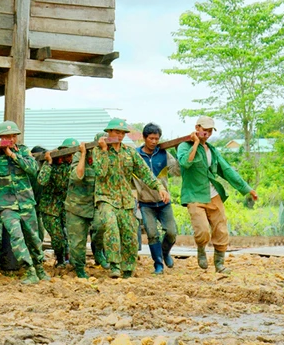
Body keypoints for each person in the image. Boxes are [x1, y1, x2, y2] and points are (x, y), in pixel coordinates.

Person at [176, 116, 257, 273]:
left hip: (213, 195)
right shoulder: (184, 146)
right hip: (194, 195)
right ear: (197, 128)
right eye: (204, 130)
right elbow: (185, 163)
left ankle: (219, 264)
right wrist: (196, 144)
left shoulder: (212, 150)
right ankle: (201, 249)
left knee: (221, 229)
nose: (206, 133)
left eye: (209, 131)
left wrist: (247, 189)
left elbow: (226, 170)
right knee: (202, 230)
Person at [93, 119, 169, 278]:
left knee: (129, 233)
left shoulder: (129, 152)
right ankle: (114, 265)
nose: (119, 136)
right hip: (106, 198)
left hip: (125, 200)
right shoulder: (99, 151)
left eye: (122, 133)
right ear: (109, 132)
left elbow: (145, 173)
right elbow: (101, 173)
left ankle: (127, 268)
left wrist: (159, 187)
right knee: (111, 227)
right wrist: (105, 150)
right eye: (116, 132)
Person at [0, 121, 46, 284]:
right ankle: (29, 270)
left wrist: (13, 155)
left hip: (26, 202)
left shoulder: (23, 151)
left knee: (34, 238)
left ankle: (39, 268)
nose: (11, 139)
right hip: (6, 204)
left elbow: (33, 169)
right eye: (7, 136)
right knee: (16, 237)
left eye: (14, 136)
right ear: (0, 137)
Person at [135, 123, 180, 274]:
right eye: (151, 138)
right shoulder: (136, 155)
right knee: (152, 234)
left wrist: (180, 152)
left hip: (163, 202)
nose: (154, 142)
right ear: (144, 138)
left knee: (172, 232)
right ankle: (158, 265)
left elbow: (176, 171)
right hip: (145, 203)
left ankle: (165, 252)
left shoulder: (164, 154)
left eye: (157, 138)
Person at [65, 138, 99, 278]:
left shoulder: (107, 157)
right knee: (77, 242)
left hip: (96, 204)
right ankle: (79, 267)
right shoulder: (81, 155)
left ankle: (99, 253)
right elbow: (77, 176)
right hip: (76, 206)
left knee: (103, 226)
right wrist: (84, 155)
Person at [37, 141, 73, 268]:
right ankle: (61, 259)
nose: (70, 157)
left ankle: (68, 259)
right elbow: (42, 181)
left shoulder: (74, 166)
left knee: (70, 235)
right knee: (57, 237)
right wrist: (48, 163)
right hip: (49, 207)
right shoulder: (52, 164)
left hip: (66, 206)